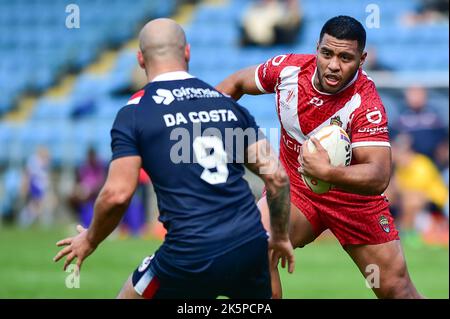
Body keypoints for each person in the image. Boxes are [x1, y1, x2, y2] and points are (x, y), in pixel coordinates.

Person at [53, 18, 294, 299]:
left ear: (141, 59)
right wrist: (278, 236)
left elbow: (117, 194)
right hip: (249, 243)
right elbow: (277, 177)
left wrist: (90, 239)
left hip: (190, 253)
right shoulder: (226, 104)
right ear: (187, 52)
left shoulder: (135, 112)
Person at [217, 15, 423, 299]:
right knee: (253, 248)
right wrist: (207, 122)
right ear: (317, 48)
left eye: (345, 57)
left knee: (396, 291)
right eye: (326, 53)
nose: (334, 65)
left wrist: (326, 172)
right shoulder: (287, 70)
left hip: (355, 203)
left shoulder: (366, 102)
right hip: (297, 193)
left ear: (361, 60)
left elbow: (378, 175)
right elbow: (237, 83)